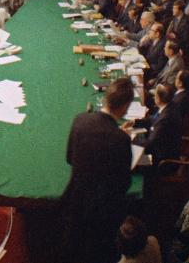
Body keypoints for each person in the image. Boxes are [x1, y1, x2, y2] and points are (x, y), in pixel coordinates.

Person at [62, 77, 135, 263]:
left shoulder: (80, 120)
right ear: (125, 107)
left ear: (106, 98)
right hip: (104, 213)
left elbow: (70, 158)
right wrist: (120, 136)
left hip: (75, 202)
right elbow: (123, 183)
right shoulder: (122, 140)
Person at [128, 84, 181, 166]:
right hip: (161, 150)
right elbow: (153, 119)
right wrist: (135, 122)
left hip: (160, 160)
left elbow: (150, 144)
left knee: (124, 162)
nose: (153, 98)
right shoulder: (170, 106)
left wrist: (131, 139)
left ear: (159, 99)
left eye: (155, 96)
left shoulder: (164, 119)